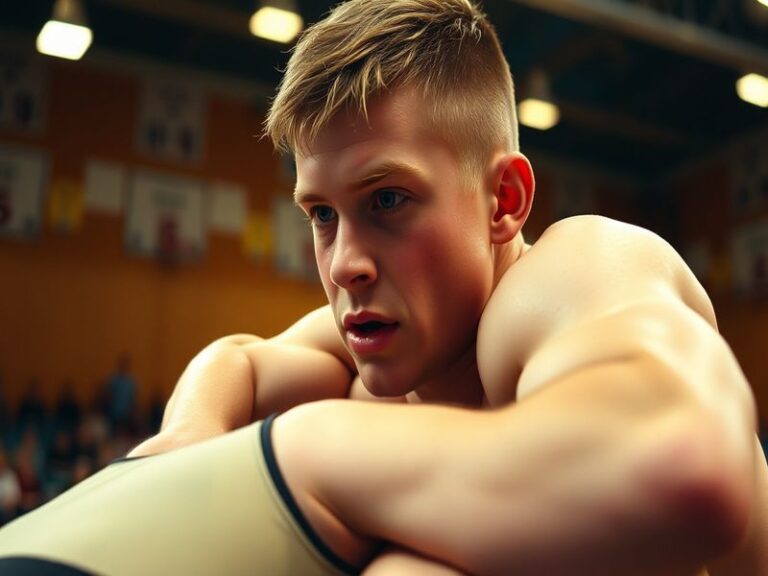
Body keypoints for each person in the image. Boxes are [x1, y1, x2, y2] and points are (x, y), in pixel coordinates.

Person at [1, 1, 765, 574]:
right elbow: (238, 359)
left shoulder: (568, 273)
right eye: (322, 215)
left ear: (504, 203)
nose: (343, 264)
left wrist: (316, 455)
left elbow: (684, 460)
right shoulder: (386, 335)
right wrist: (193, 437)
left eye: (388, 201)